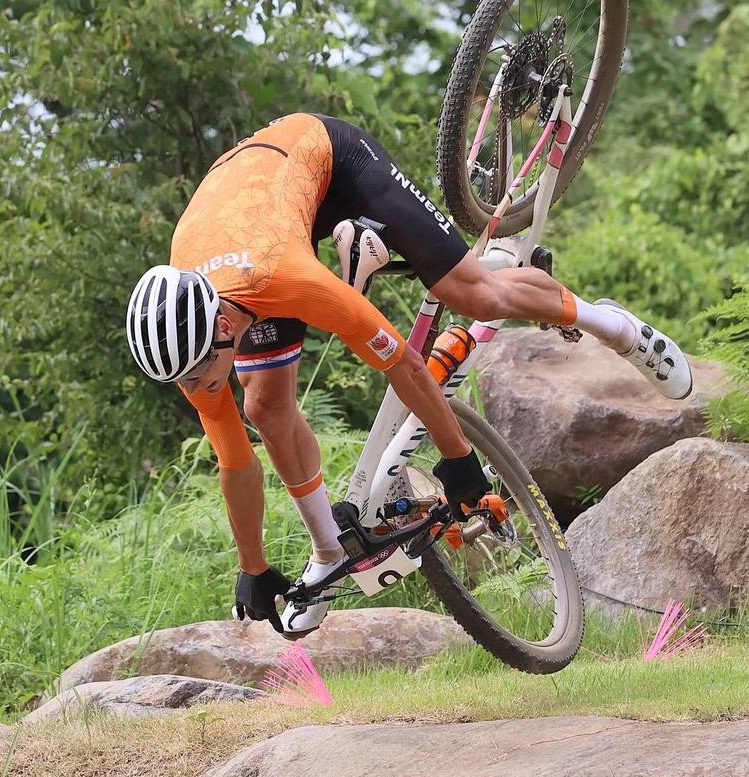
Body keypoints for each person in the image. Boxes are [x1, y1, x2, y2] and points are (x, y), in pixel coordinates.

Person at [125, 113, 691, 639]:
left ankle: (612, 325)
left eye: (201, 371)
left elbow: (402, 363)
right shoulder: (188, 340)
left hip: (326, 161)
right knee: (264, 407)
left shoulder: (286, 279)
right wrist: (253, 568)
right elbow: (235, 462)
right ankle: (330, 549)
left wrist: (459, 460)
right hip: (248, 216)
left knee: (474, 294)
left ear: (224, 324)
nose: (199, 386)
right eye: (183, 378)